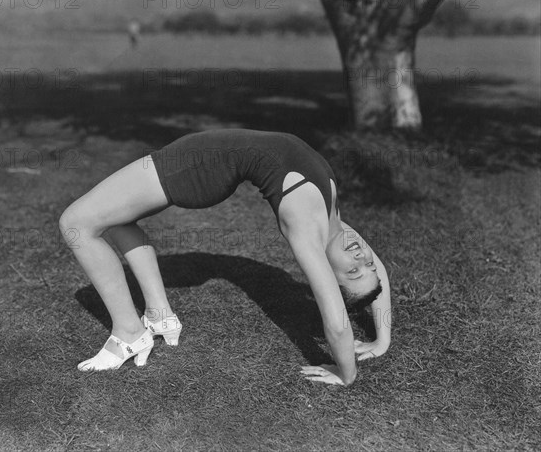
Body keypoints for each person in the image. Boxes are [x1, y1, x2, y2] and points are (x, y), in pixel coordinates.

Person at [60, 129, 391, 386]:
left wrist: (346, 374)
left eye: (353, 272)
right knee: (114, 217)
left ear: (331, 274)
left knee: (76, 223)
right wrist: (381, 340)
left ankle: (129, 333)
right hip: (206, 155)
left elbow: (335, 322)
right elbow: (379, 276)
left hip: (198, 166)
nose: (362, 256)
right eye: (367, 265)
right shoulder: (334, 223)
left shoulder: (307, 227)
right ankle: (160, 316)